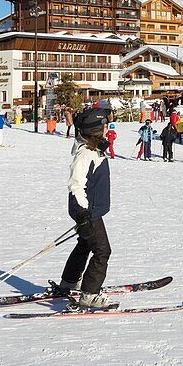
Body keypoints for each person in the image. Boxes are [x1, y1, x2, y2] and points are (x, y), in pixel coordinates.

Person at [48, 108, 116, 311]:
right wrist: (84, 215)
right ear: (95, 129)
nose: (107, 128)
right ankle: (90, 294)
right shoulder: (85, 153)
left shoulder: (94, 149)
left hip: (90, 209)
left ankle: (69, 281)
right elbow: (76, 184)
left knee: (85, 244)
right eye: (104, 126)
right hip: (87, 210)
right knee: (102, 251)